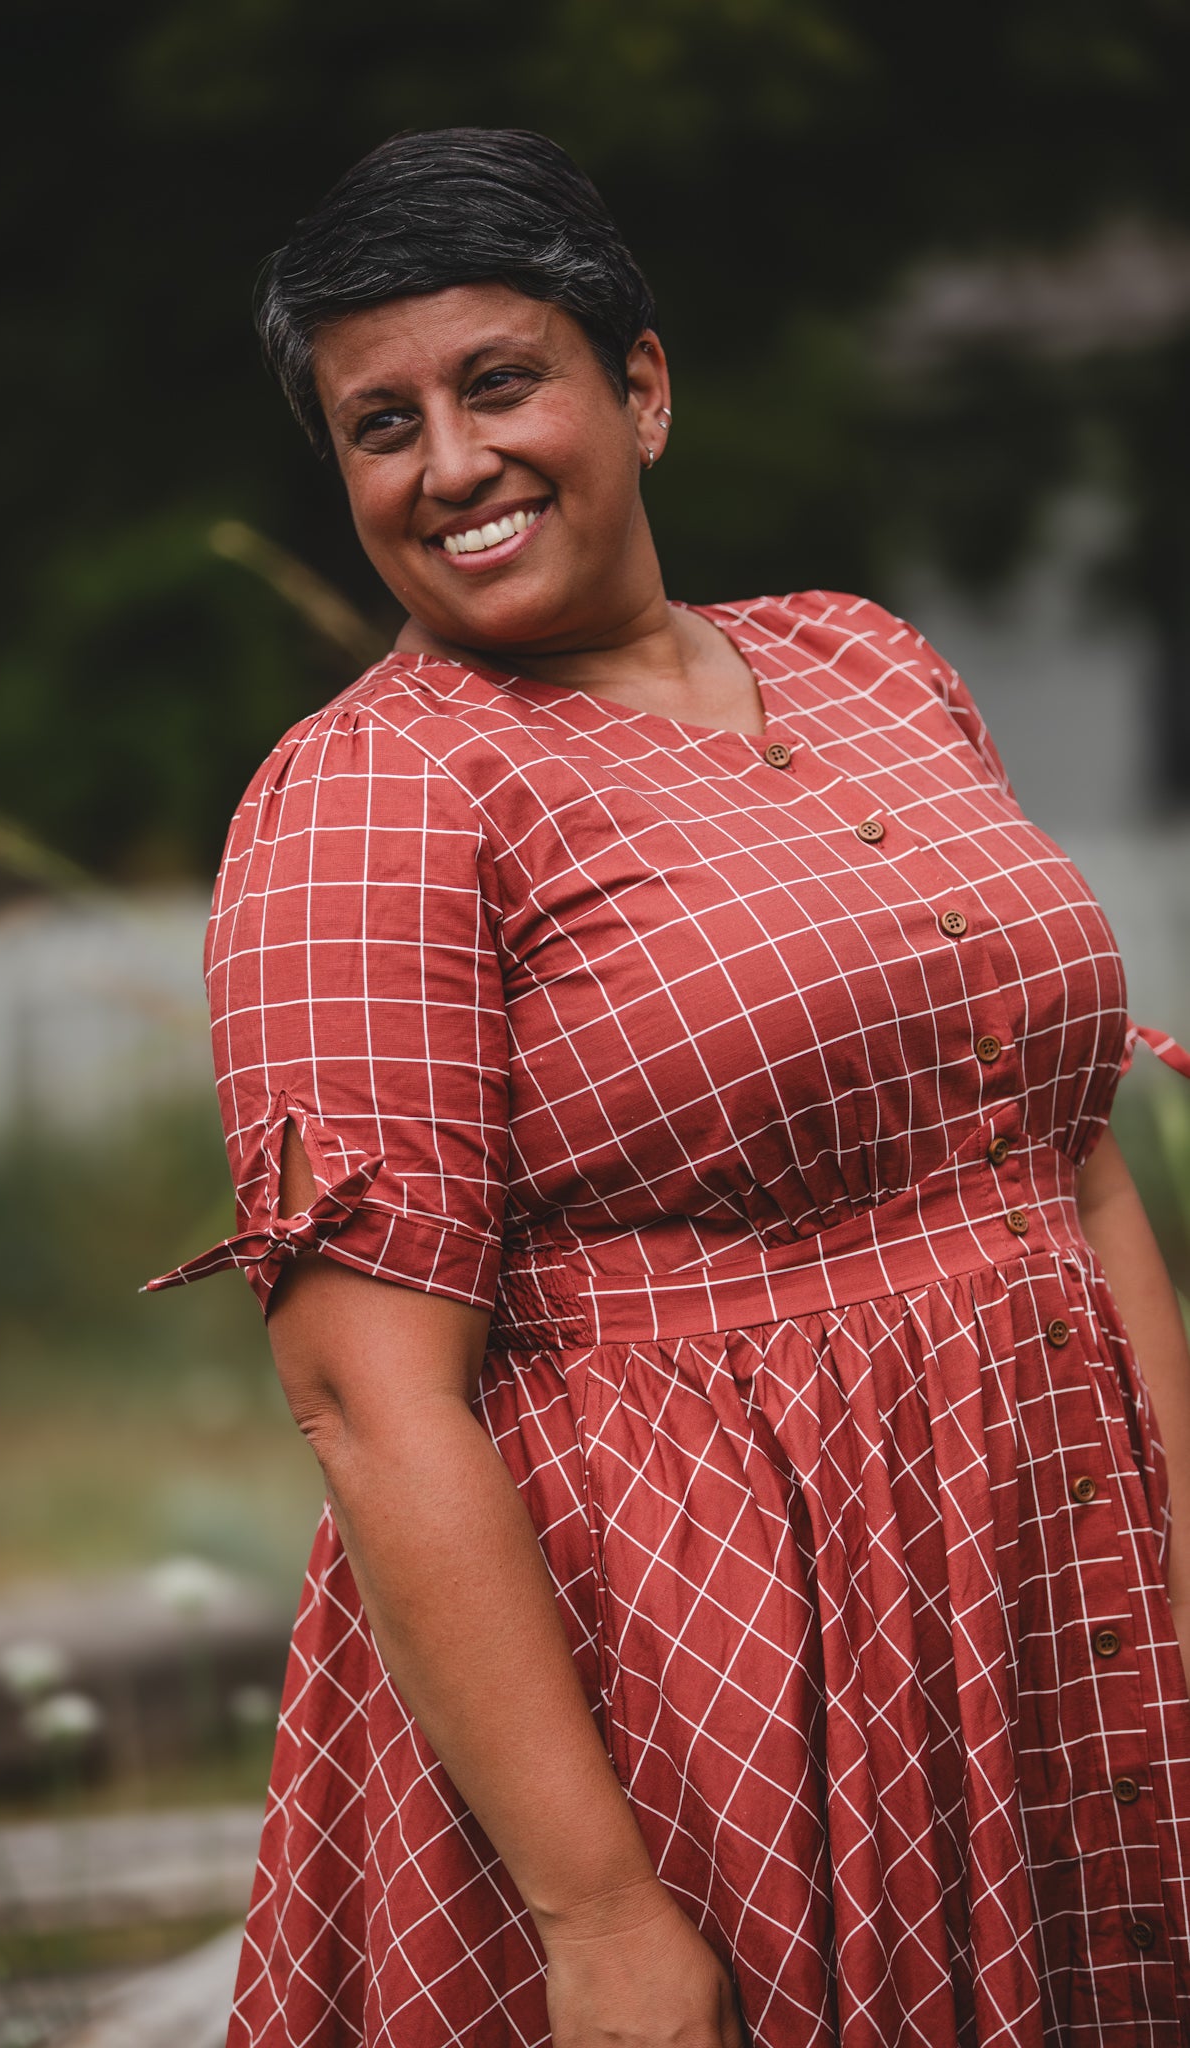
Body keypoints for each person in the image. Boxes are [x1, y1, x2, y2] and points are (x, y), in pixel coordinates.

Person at [146, 127, 1190, 2047]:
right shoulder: (378, 796)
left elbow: (1077, 1178)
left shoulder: (866, 664)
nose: (449, 464)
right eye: (380, 427)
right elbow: (366, 1400)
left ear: (638, 384)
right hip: (702, 1663)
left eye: (497, 381)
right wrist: (602, 1915)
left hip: (1047, 1592)